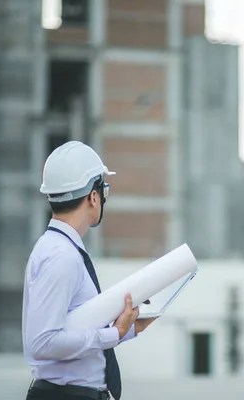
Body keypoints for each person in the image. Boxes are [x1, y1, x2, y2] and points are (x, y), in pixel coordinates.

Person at [22, 141, 155, 400]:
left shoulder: (61, 249)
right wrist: (113, 334)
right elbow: (43, 343)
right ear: (93, 197)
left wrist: (129, 328)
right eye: (103, 188)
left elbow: (73, 327)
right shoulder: (62, 256)